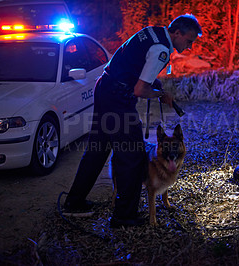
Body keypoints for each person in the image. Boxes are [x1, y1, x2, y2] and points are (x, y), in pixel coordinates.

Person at [63, 14, 202, 227]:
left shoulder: (152, 32)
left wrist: (155, 85)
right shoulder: (162, 50)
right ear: (176, 33)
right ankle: (124, 216)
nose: (190, 46)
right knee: (133, 153)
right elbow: (140, 89)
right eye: (189, 40)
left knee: (98, 148)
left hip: (104, 87)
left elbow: (135, 65)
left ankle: (74, 202)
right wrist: (159, 95)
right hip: (118, 97)